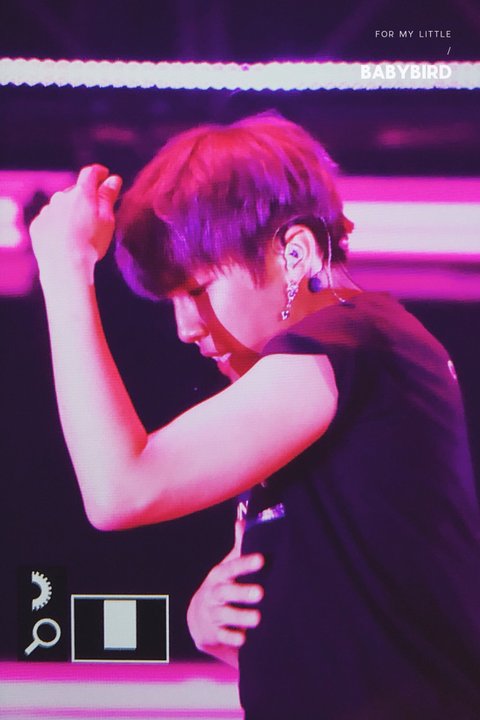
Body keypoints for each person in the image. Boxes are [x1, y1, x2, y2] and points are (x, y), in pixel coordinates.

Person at [30, 113, 480, 719]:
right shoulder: (346, 367)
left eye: (198, 290)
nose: (186, 329)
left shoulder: (349, 342)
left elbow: (120, 490)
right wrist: (225, 631)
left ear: (294, 253)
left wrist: (65, 271)